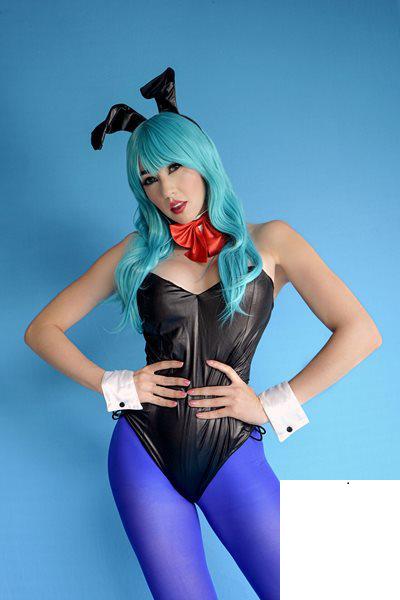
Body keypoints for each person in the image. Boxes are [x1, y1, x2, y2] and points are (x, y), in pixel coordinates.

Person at [24, 69, 382, 600]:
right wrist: (118, 385)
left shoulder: (273, 240)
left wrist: (271, 405)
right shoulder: (134, 253)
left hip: (232, 450)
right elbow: (42, 330)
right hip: (144, 452)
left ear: (203, 160)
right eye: (149, 179)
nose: (166, 189)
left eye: (175, 167)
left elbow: (361, 332)